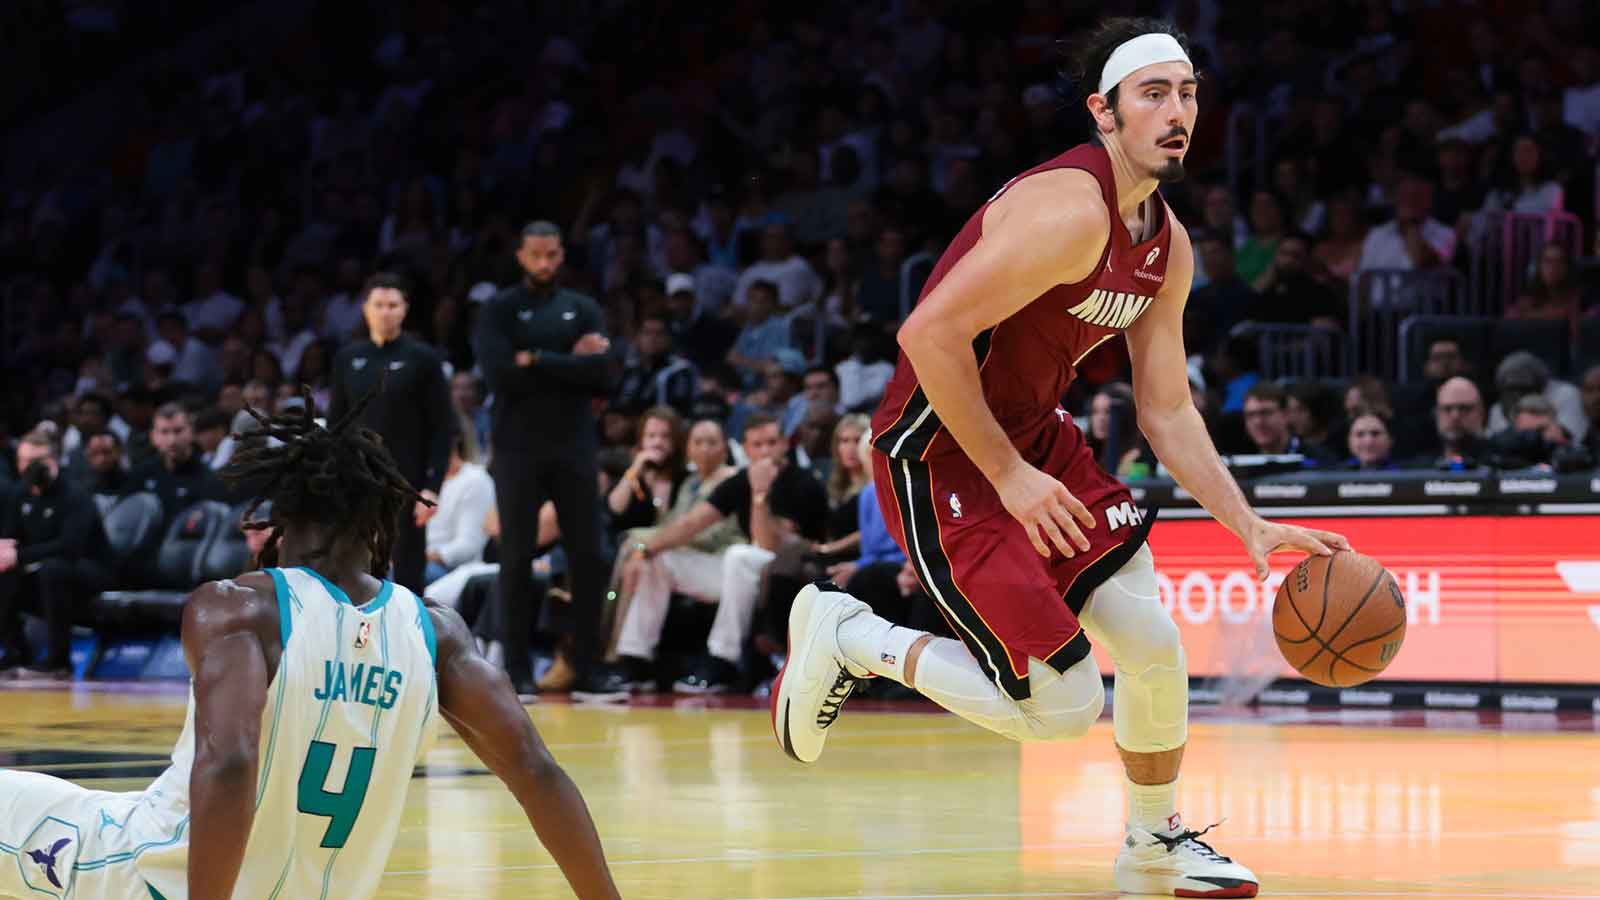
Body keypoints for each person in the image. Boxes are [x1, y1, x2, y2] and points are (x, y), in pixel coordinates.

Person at [771, 19, 1347, 899]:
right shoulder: (1068, 211)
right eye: (1152, 94)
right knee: (1065, 707)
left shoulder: (1168, 244)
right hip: (943, 456)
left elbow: (1165, 409)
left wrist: (1250, 525)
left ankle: (1154, 843)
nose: (1176, 110)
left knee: (1154, 643)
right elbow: (926, 333)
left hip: (1039, 441)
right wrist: (1006, 474)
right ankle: (852, 635)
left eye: (1187, 91)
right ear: (1103, 113)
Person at [0, 394, 621, 900]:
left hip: (152, 878)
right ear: (380, 520)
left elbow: (231, 764)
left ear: (279, 513)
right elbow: (538, 773)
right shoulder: (435, 630)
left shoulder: (239, 605)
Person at [476, 221, 619, 698]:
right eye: (536, 255)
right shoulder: (499, 309)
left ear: (562, 255)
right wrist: (566, 361)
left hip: (576, 445)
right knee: (516, 557)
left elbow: (602, 374)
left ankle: (588, 666)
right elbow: (499, 375)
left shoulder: (582, 308)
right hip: (517, 448)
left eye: (553, 255)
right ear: (520, 255)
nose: (545, 264)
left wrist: (534, 360)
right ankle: (515, 669)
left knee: (591, 556)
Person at [328, 273, 455, 594]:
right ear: (366, 309)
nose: (386, 311)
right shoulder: (347, 358)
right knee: (352, 572)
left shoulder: (423, 359)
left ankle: (410, 642)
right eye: (379, 305)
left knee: (408, 578)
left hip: (406, 483)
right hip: (356, 482)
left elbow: (442, 427)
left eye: (392, 305)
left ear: (404, 309)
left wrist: (432, 487)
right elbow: (335, 427)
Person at [0, 430, 113, 680]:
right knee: (5, 572)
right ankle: (15, 653)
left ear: (52, 461)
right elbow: (10, 539)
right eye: (24, 461)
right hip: (42, 569)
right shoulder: (19, 494)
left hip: (89, 568)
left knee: (53, 568)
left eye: (35, 461)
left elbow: (70, 546)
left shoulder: (75, 494)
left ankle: (59, 661)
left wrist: (19, 556)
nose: (29, 467)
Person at [131, 403, 228, 529]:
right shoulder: (140, 475)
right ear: (154, 437)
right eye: (164, 432)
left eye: (178, 431)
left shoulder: (210, 480)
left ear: (192, 433)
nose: (172, 440)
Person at [424, 421, 497, 586]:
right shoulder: (420, 480)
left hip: (454, 571)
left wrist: (420, 557)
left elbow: (468, 546)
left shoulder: (475, 479)